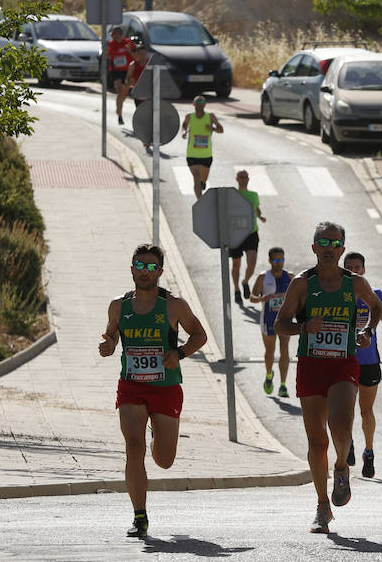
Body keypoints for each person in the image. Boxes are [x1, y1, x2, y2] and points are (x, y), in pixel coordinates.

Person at [274, 221, 382, 535]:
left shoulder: (355, 283)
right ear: (314, 247)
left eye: (335, 244)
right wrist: (304, 328)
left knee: (341, 425)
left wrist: (367, 331)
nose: (329, 249)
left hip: (343, 365)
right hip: (311, 365)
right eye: (324, 243)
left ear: (342, 249)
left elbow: (375, 307)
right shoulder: (302, 284)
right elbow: (280, 324)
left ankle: (341, 466)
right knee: (317, 441)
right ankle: (323, 507)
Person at [99, 243, 207, 539]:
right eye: (139, 265)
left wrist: (180, 353)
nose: (144, 272)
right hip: (131, 385)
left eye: (150, 267)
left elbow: (200, 335)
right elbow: (111, 334)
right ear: (131, 268)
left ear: (159, 272)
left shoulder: (174, 305)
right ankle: (140, 516)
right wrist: (109, 345)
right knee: (134, 447)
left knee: (164, 460)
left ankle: (156, 431)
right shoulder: (118, 305)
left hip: (165, 387)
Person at [343, 251, 382, 479]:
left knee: (366, 411)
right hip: (344, 361)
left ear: (364, 270)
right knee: (345, 409)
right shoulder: (338, 295)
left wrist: (378, 309)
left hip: (368, 361)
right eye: (349, 267)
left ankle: (369, 451)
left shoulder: (375, 295)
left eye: (357, 267)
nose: (354, 271)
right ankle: (349, 444)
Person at [250, 246, 293, 397]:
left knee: (284, 349)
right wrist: (261, 299)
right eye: (275, 260)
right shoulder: (263, 277)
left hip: (285, 319)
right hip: (268, 319)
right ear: (269, 261)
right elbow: (252, 297)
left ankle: (283, 385)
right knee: (270, 351)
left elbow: (300, 295)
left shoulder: (290, 277)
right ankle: (269, 375)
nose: (279, 263)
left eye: (281, 260)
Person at [229, 170, 266, 306]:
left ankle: (245, 281)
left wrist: (260, 216)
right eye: (241, 177)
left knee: (252, 262)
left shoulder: (254, 195)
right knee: (236, 264)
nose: (244, 179)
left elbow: (256, 208)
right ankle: (236, 290)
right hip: (236, 233)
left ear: (248, 179)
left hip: (251, 233)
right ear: (237, 179)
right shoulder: (233, 195)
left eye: (246, 177)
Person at [181, 95, 224, 198]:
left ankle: (203, 182)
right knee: (196, 178)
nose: (199, 105)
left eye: (201, 103)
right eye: (197, 102)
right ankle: (199, 202)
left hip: (206, 155)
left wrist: (213, 129)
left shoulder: (210, 116)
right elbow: (184, 125)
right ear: (193, 104)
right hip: (192, 153)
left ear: (205, 105)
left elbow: (221, 130)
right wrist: (184, 132)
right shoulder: (189, 117)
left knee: (203, 179)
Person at [107, 26, 137, 125]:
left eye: (113, 34)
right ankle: (120, 115)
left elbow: (136, 57)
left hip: (127, 71)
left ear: (119, 34)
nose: (112, 36)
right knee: (119, 91)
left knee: (124, 93)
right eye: (111, 34)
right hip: (115, 70)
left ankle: (118, 107)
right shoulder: (111, 44)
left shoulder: (128, 43)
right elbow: (108, 56)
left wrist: (129, 51)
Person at [126, 44, 151, 150]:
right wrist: (131, 83)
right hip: (139, 95)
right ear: (136, 54)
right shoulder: (132, 65)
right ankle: (145, 138)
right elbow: (128, 80)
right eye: (140, 54)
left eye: (144, 54)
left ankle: (147, 137)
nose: (142, 56)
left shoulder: (150, 64)